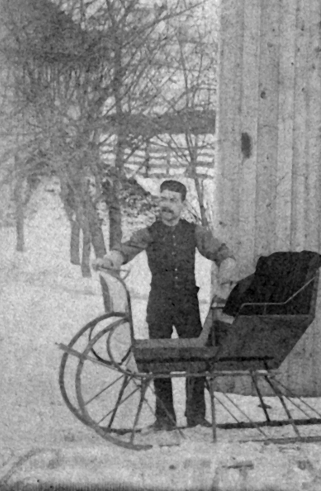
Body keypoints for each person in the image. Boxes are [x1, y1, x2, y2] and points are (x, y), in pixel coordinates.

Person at [95, 179, 238, 431]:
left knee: (195, 359)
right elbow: (126, 249)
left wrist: (227, 266)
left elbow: (221, 252)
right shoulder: (149, 232)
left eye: (173, 200)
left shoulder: (194, 232)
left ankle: (196, 416)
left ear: (182, 205)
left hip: (187, 304)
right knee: (158, 361)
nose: (166, 205)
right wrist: (112, 258)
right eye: (163, 199)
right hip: (159, 304)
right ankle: (164, 418)